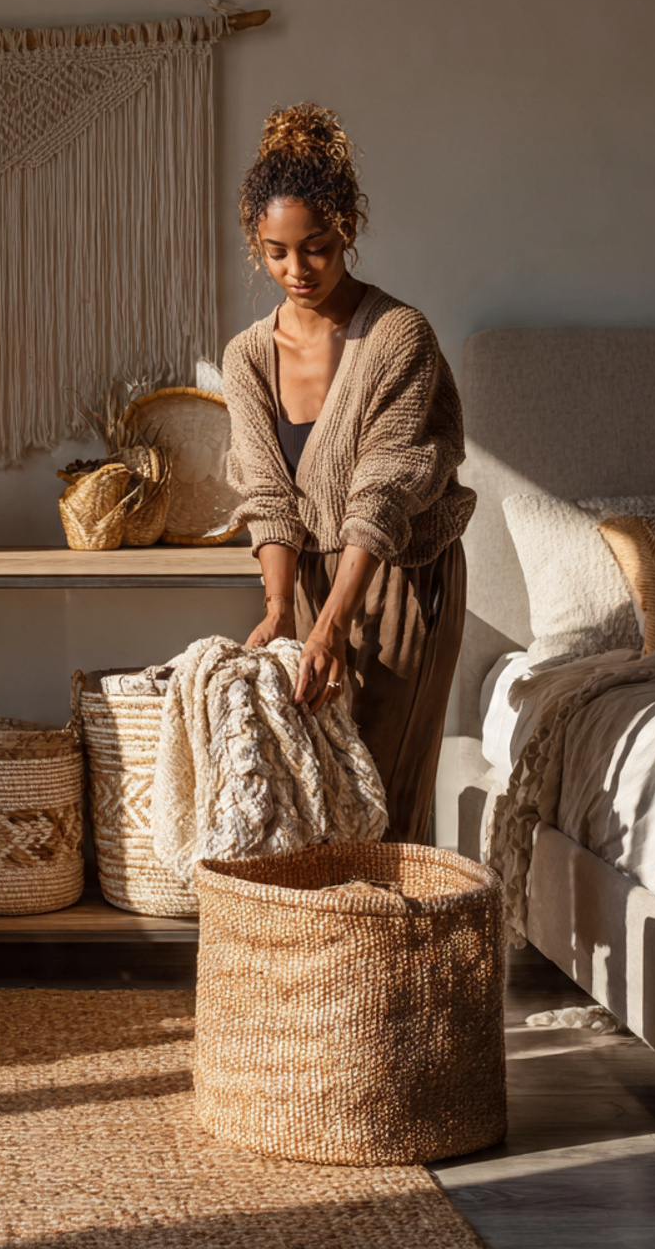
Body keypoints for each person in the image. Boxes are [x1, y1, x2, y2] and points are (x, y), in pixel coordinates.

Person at [223, 103, 476, 845]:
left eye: (317, 249)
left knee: (382, 804)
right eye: (276, 252)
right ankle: (337, 962)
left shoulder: (399, 334)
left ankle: (405, 960)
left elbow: (384, 488)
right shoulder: (246, 356)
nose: (296, 271)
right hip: (302, 582)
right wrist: (281, 614)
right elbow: (267, 495)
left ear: (348, 233)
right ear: (255, 244)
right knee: (317, 804)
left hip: (398, 576)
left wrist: (332, 623)